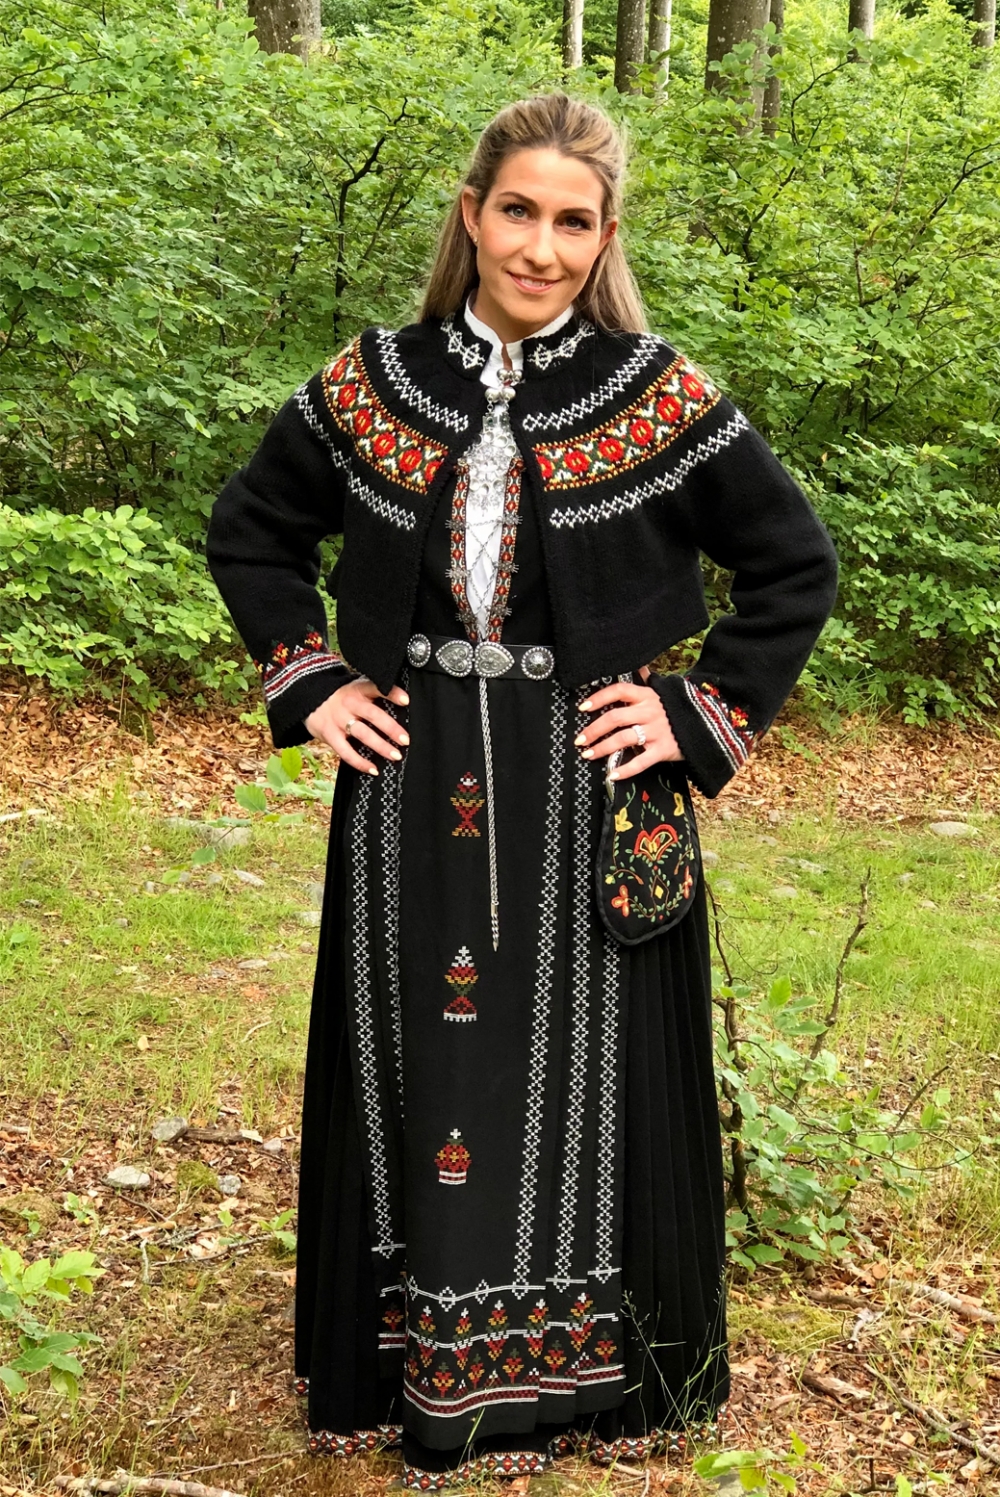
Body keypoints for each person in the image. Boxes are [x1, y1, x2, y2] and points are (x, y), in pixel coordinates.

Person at [207, 91, 838, 1491]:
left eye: (573, 221)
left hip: (591, 784)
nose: (540, 248)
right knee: (425, 1056)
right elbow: (252, 531)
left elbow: (795, 565)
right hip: (410, 778)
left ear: (604, 238)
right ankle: (408, 1355)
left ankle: (601, 1372)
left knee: (583, 1072)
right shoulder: (374, 382)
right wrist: (310, 677)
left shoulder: (657, 395)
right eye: (517, 211)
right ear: (472, 213)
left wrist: (698, 711)